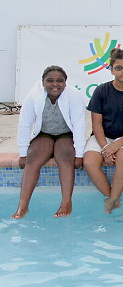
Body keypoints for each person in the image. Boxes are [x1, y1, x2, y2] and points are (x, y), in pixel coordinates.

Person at [12, 65, 86, 219]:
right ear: (43, 82)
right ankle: (23, 205)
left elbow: (79, 125)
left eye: (60, 81)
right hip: (44, 134)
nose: (55, 84)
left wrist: (79, 155)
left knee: (65, 158)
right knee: (33, 158)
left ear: (65, 82)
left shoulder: (74, 95)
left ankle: (66, 203)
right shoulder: (34, 96)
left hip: (65, 135)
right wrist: (23, 153)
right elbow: (25, 124)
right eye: (50, 81)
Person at [83, 49, 123, 213]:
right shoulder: (101, 91)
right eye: (118, 68)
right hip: (101, 137)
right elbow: (96, 124)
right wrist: (105, 147)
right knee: (89, 162)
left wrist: (116, 145)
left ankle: (112, 199)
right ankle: (111, 197)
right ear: (111, 70)